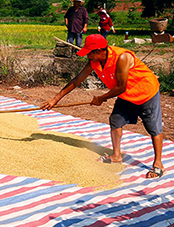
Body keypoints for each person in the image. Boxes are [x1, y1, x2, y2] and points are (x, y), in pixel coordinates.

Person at [41, 34, 164, 179]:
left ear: (99, 51)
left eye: (89, 53)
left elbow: (121, 87)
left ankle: (158, 164)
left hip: (145, 92)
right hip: (126, 95)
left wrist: (101, 98)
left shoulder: (122, 58)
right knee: (115, 120)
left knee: (153, 127)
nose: (87, 56)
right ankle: (116, 156)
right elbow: (77, 80)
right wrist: (56, 98)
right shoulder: (95, 62)